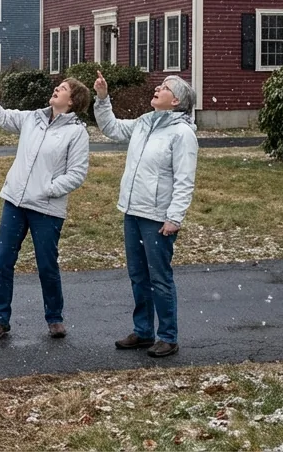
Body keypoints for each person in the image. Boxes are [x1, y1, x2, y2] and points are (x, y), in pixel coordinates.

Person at [0, 59, 92, 341]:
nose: (56, 90)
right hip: (15, 202)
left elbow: (76, 174)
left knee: (47, 265)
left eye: (62, 89)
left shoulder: (76, 133)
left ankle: (55, 318)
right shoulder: (32, 118)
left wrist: (46, 188)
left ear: (72, 102)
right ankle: (0, 320)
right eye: (58, 86)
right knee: (3, 262)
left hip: (46, 209)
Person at [93, 71, 198, 358]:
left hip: (157, 218)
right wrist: (103, 98)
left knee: (159, 278)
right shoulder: (144, 123)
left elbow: (184, 180)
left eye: (164, 87)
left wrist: (174, 218)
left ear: (176, 101)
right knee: (138, 275)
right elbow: (111, 128)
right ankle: (143, 332)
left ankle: (168, 336)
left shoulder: (182, 134)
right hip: (133, 210)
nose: (157, 88)